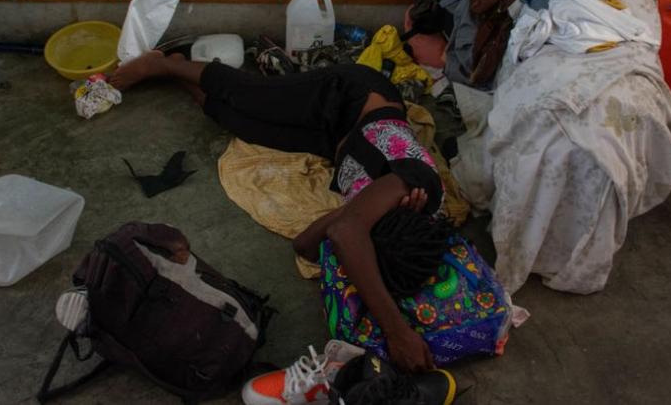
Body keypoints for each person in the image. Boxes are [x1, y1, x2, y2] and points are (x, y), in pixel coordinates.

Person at [112, 51, 447, 373]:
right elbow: (346, 233)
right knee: (249, 96)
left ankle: (176, 68)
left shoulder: (389, 219)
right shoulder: (416, 185)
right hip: (351, 97)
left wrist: (355, 219)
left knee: (237, 122)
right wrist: (397, 331)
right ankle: (159, 64)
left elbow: (305, 244)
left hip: (333, 139)